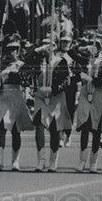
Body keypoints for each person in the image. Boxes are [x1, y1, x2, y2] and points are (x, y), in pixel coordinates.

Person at [73, 35, 102, 173]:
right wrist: (80, 75)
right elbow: (75, 69)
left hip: (98, 95)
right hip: (86, 94)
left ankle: (93, 162)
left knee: (96, 129)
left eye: (97, 46)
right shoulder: (85, 61)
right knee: (85, 127)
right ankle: (82, 161)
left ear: (100, 48)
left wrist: (91, 78)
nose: (94, 48)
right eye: (93, 46)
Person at [31, 34, 73, 172]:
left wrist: (54, 88)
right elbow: (25, 58)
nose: (48, 49)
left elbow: (66, 80)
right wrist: (39, 50)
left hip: (55, 97)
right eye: (45, 45)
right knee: (39, 125)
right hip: (41, 97)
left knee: (55, 129)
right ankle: (40, 160)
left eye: (50, 46)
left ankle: (53, 161)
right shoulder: (38, 60)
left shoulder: (60, 61)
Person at [0, 36, 34, 171]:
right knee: (2, 128)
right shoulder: (0, 64)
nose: (11, 52)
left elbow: (27, 83)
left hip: (17, 96)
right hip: (4, 96)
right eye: (9, 50)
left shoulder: (22, 65)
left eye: (14, 49)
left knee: (16, 130)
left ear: (18, 50)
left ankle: (15, 161)